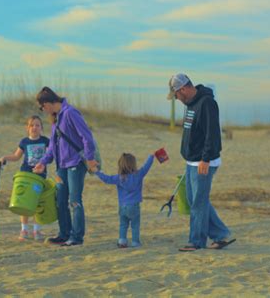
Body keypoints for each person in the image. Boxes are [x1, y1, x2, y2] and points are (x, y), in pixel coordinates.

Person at [167, 73, 235, 251]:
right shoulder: (190, 104)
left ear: (183, 89)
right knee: (195, 200)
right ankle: (221, 234)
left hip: (204, 161)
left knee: (198, 202)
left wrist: (205, 158)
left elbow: (212, 134)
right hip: (192, 161)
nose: (176, 98)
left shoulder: (207, 103)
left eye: (176, 95)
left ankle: (196, 241)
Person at [33, 86, 99, 246]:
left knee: (74, 200)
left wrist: (90, 159)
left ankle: (76, 237)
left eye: (42, 107)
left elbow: (87, 137)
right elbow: (52, 147)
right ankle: (64, 234)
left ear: (48, 102)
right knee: (61, 200)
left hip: (76, 163)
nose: (43, 110)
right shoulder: (56, 119)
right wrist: (43, 162)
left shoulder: (70, 113)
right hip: (61, 166)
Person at [0, 115, 49, 241]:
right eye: (32, 125)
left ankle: (36, 230)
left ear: (41, 128)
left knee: (37, 202)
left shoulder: (45, 141)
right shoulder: (24, 142)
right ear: (27, 128)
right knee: (25, 203)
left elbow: (50, 155)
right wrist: (4, 158)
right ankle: (24, 230)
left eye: (37, 125)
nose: (34, 128)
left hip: (40, 176)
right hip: (26, 175)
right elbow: (16, 156)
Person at [91, 153, 154, 248]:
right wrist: (151, 156)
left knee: (123, 225)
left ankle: (122, 241)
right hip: (134, 206)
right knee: (135, 226)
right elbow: (146, 166)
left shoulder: (119, 178)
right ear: (133, 164)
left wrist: (97, 171)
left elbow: (106, 179)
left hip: (123, 206)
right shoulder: (139, 174)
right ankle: (135, 242)